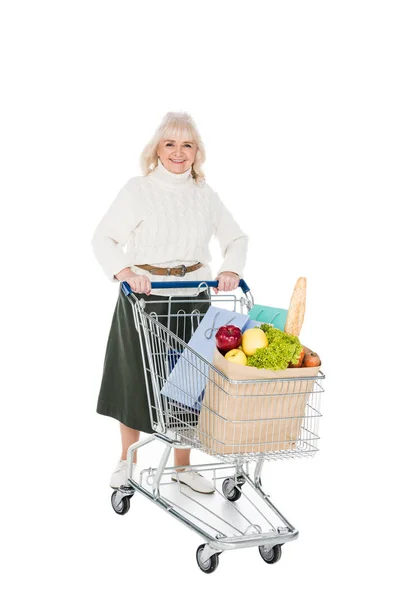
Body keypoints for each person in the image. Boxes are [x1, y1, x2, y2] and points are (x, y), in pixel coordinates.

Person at [92, 111, 249, 493]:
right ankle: (127, 461)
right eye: (170, 144)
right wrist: (127, 273)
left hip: (193, 296)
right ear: (157, 149)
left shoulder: (204, 195)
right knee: (133, 380)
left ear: (197, 152)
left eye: (187, 145)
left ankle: (182, 468)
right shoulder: (138, 190)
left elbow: (237, 239)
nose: (178, 152)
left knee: (188, 383)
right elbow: (104, 239)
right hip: (144, 297)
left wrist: (229, 269)